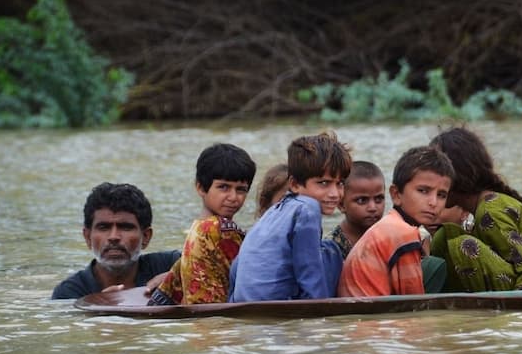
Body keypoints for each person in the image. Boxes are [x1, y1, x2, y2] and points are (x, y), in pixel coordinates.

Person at [429, 126, 522, 292]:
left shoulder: (491, 210)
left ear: (457, 175)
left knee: (463, 245)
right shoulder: (483, 208)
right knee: (444, 237)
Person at [229, 129, 352, 302]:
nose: (335, 193)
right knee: (331, 251)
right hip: (278, 306)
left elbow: (236, 266)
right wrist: (322, 319)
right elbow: (310, 274)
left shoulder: (271, 213)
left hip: (244, 303)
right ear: (294, 184)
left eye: (340, 184)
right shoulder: (308, 208)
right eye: (323, 183)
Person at [338, 145, 455, 297]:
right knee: (436, 266)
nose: (433, 202)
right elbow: (413, 302)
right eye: (423, 191)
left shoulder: (390, 224)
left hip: (360, 312)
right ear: (396, 194)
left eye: (441, 195)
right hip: (370, 317)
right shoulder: (403, 233)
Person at [148, 143, 256, 305]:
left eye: (241, 189)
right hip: (217, 321)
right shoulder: (216, 229)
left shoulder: (197, 229)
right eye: (223, 187)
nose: (233, 197)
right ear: (200, 187)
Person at [51, 183, 180, 299]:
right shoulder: (69, 294)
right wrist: (98, 308)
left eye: (126, 227)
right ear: (87, 237)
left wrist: (181, 280)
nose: (114, 237)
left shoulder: (172, 266)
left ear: (146, 236)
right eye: (103, 227)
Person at [326, 160, 386, 259]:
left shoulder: (389, 237)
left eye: (378, 199)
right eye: (362, 200)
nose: (373, 207)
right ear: (341, 205)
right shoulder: (332, 249)